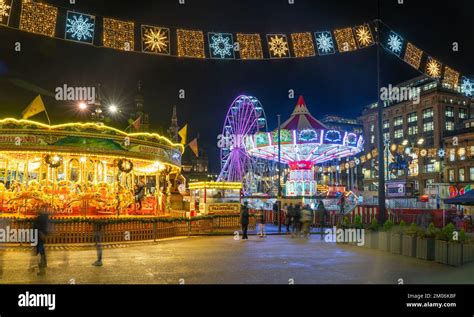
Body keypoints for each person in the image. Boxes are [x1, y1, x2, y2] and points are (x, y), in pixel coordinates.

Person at [32, 206, 50, 275]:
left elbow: (38, 227)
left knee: (40, 251)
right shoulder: (43, 218)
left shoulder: (40, 218)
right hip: (39, 236)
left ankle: (42, 269)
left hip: (38, 236)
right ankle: (43, 265)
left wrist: (41, 233)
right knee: (40, 251)